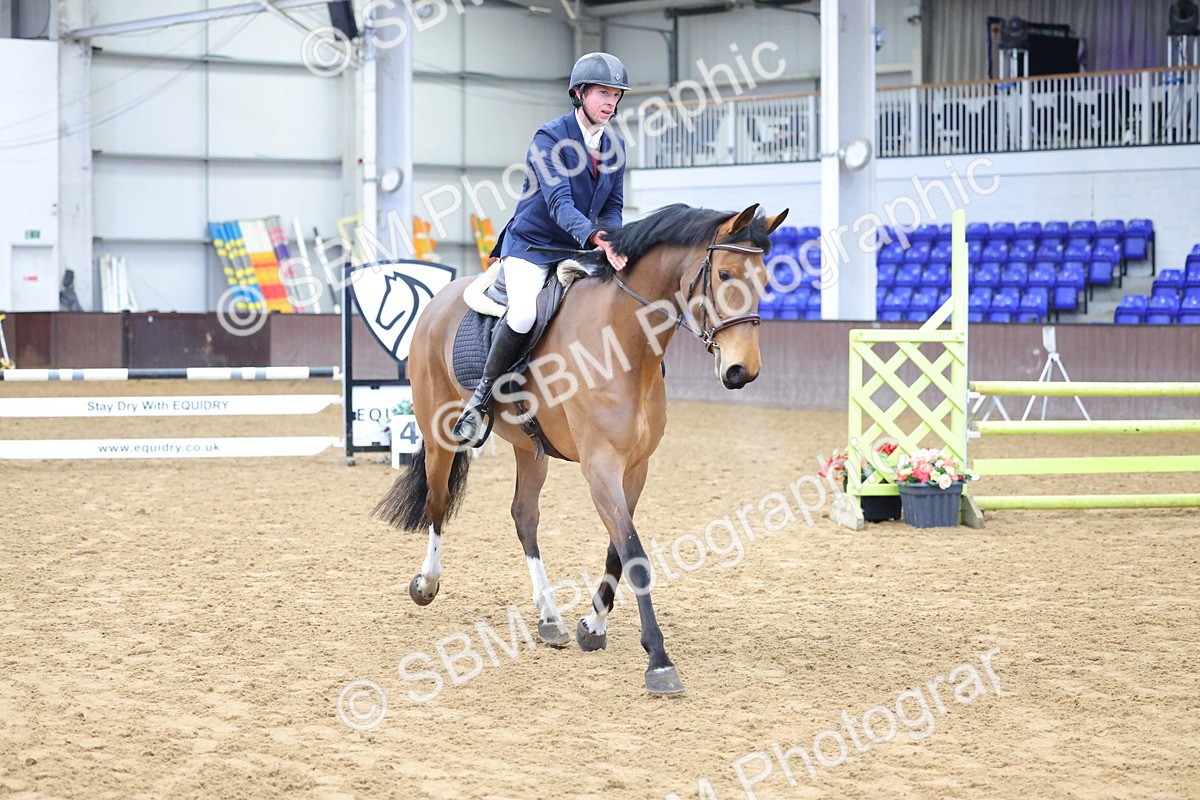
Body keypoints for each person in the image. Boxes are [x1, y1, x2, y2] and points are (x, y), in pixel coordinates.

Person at [452, 52, 631, 445]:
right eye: (603, 92)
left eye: (616, 95)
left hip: (580, 246)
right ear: (579, 93)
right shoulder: (549, 138)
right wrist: (594, 236)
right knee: (521, 315)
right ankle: (480, 402)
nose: (610, 102)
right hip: (533, 245)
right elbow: (559, 203)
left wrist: (613, 239)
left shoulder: (614, 146)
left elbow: (613, 207)